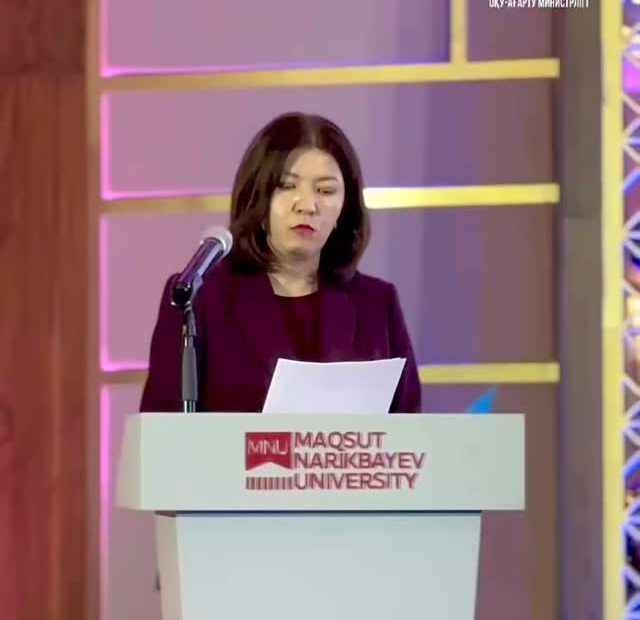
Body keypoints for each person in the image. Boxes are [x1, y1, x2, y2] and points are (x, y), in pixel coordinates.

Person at [140, 112, 421, 414]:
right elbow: (160, 427)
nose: (307, 205)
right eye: (287, 186)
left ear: (346, 206)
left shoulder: (377, 305)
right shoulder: (200, 298)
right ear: (257, 196)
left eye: (325, 190)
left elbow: (409, 429)